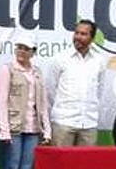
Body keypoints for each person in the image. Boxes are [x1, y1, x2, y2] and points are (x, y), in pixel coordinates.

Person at [0, 31, 51, 169]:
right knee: (12, 168)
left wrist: (47, 129)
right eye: (19, 47)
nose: (22, 51)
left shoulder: (37, 72)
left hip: (33, 127)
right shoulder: (7, 69)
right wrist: (4, 129)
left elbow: (43, 103)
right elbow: (1, 101)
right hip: (14, 126)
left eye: (26, 48)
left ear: (33, 52)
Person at [44, 19, 106, 147]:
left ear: (92, 38)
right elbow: (50, 89)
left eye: (83, 34)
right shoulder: (60, 58)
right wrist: (62, 111)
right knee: (61, 165)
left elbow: (99, 91)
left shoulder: (99, 61)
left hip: (89, 123)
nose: (78, 37)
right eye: (76, 33)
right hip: (64, 122)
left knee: (85, 165)